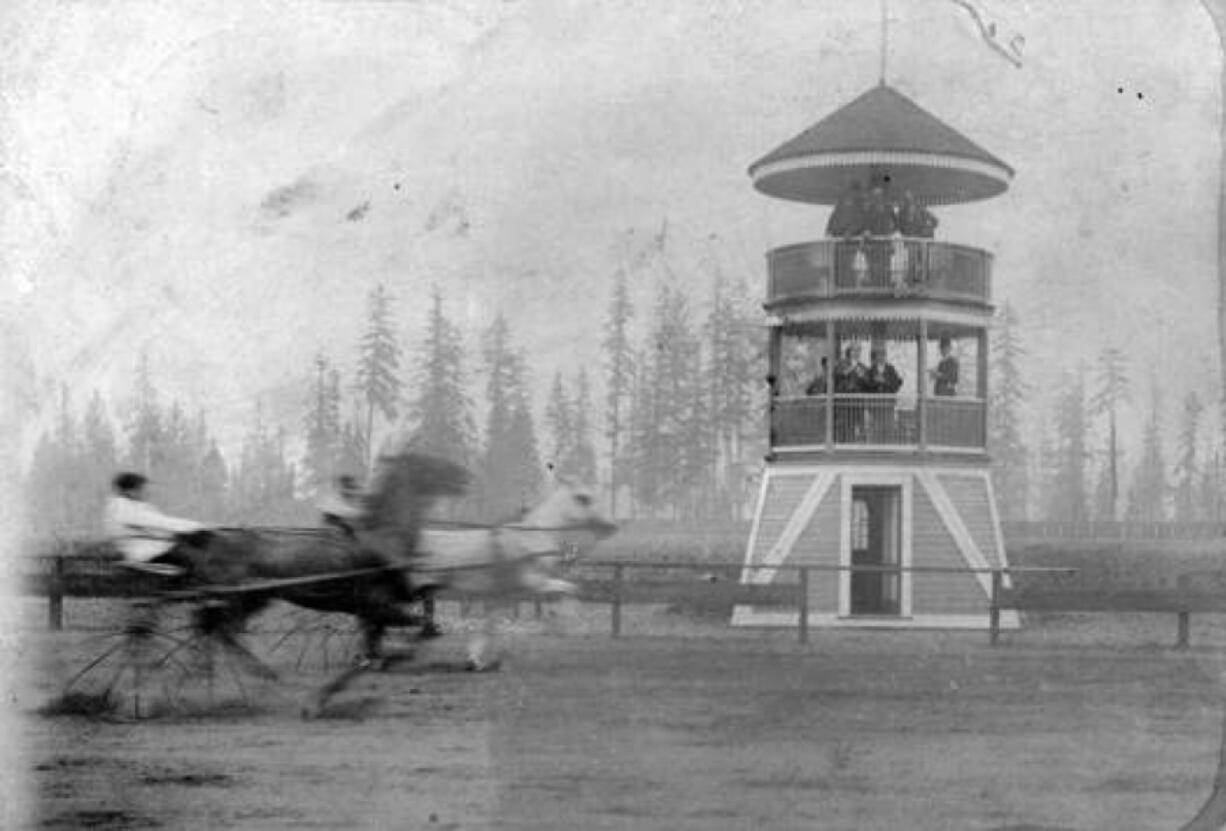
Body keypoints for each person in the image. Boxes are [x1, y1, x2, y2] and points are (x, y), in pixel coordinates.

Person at [103, 472, 208, 578]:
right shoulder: (122, 508)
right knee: (201, 559)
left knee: (200, 554)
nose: (148, 493)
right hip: (148, 554)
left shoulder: (134, 506)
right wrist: (199, 526)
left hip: (157, 550)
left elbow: (162, 524)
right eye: (144, 490)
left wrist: (196, 527)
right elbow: (161, 522)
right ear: (130, 491)